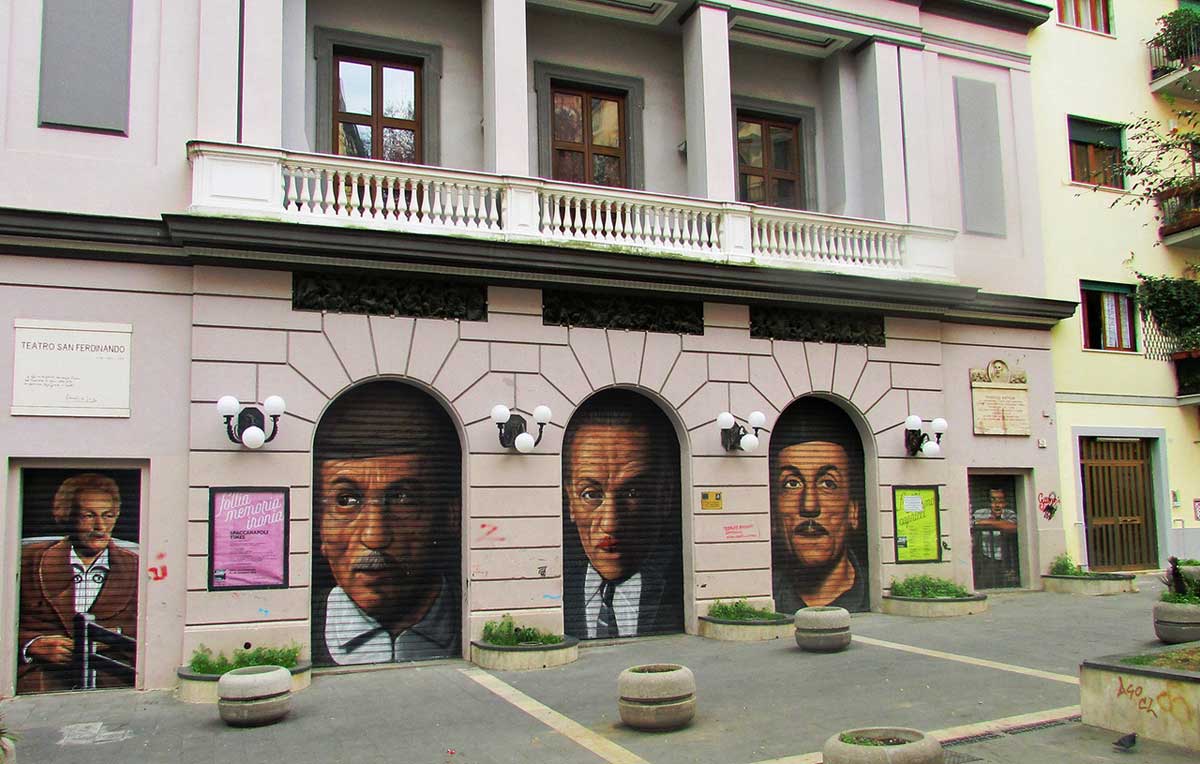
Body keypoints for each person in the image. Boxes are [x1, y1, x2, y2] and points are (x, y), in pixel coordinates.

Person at [311, 382, 461, 665]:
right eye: (346, 500)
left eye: (403, 498)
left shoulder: (469, 609)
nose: (375, 536)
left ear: (451, 516)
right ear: (320, 526)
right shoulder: (305, 619)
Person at [562, 390, 682, 639]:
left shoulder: (680, 583)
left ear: (666, 495)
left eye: (632, 492)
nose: (611, 523)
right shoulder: (559, 584)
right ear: (570, 501)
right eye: (590, 494)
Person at [18, 472, 138, 693]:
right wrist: (32, 645)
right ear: (66, 515)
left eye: (108, 515)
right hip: (42, 681)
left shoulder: (136, 566)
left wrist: (114, 637)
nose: (100, 526)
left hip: (112, 682)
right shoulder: (28, 560)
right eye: (88, 515)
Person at [770, 398, 870, 613]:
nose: (809, 505)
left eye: (828, 483)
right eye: (792, 483)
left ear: (853, 511)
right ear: (773, 517)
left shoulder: (873, 589)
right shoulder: (765, 588)